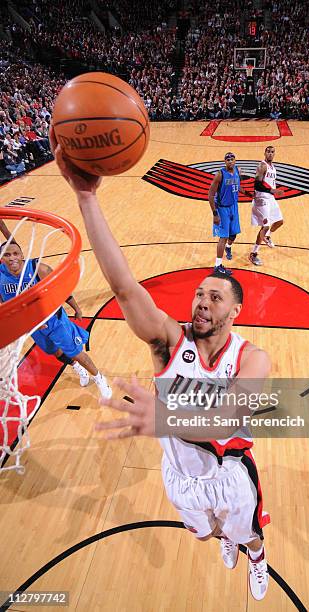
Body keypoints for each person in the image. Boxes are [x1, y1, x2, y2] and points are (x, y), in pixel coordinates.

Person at [51, 129, 271, 601]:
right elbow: (125, 286)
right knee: (208, 534)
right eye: (198, 294)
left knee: (244, 533)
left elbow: (231, 417)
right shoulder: (169, 341)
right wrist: (86, 197)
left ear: (235, 311)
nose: (202, 302)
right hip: (178, 474)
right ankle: (225, 538)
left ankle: (255, 552)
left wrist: (167, 416)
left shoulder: (252, 358)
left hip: (229, 474)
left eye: (215, 297)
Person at [0, 240, 112, 399]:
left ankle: (99, 378)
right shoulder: (0, 276)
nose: (12, 258)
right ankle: (76, 367)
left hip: (54, 321)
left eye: (15, 253)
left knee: (76, 352)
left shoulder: (39, 269)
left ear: (22, 255)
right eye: (7, 255)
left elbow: (62, 289)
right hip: (32, 326)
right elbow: (4, 302)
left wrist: (76, 308)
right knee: (55, 352)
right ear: (1, 258)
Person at [208, 152, 252, 276]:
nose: (230, 161)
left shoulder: (237, 171)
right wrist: (215, 214)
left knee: (233, 234)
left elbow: (237, 186)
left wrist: (249, 194)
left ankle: (228, 247)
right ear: (224, 161)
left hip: (234, 207)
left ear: (235, 161)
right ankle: (217, 265)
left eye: (232, 159)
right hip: (222, 209)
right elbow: (210, 195)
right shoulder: (220, 175)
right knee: (223, 236)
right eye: (228, 160)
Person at [249, 146, 284, 266]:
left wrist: (273, 192)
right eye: (268, 151)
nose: (270, 154)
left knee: (279, 221)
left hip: (270, 198)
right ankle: (253, 254)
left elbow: (269, 183)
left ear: (274, 154)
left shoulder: (273, 168)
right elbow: (257, 185)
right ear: (264, 153)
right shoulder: (262, 166)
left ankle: (267, 236)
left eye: (272, 152)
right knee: (265, 227)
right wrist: (272, 191)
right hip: (262, 198)